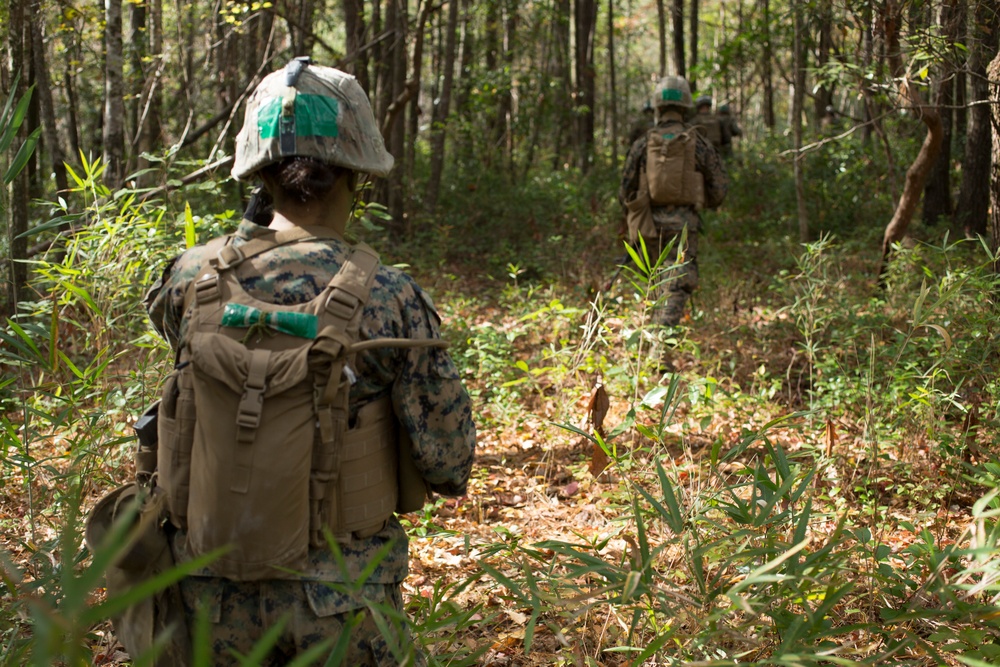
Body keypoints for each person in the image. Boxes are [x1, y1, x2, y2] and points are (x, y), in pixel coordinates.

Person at [143, 58, 476, 666]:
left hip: (205, 596)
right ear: (358, 172)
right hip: (342, 598)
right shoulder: (390, 296)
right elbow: (448, 462)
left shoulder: (192, 276)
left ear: (260, 172)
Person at [618, 75, 727, 328]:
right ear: (685, 106)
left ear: (657, 106)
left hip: (648, 226)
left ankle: (650, 344)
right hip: (684, 225)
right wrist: (699, 201)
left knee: (655, 281)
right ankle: (659, 348)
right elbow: (720, 188)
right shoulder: (698, 142)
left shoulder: (643, 142)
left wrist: (632, 214)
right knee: (677, 286)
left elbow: (625, 189)